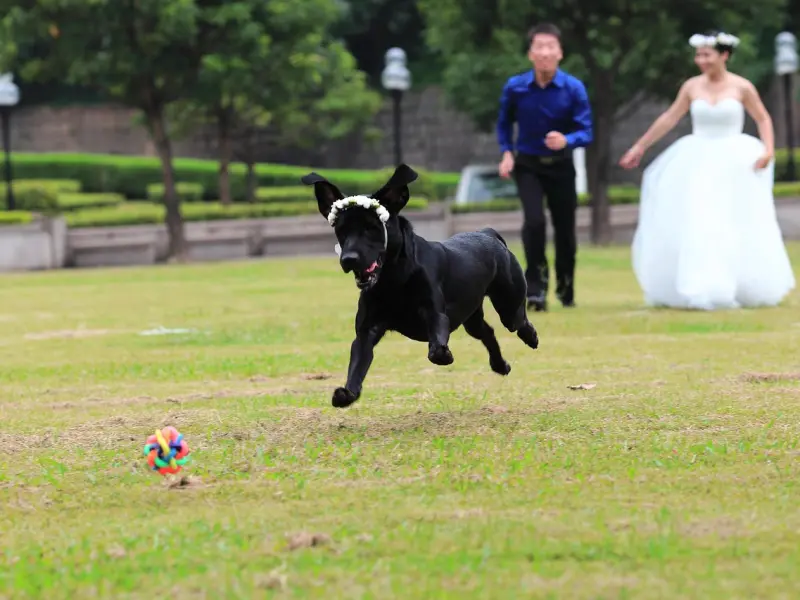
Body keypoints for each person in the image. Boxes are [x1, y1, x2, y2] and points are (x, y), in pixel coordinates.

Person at [619, 30, 795, 310]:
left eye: (707, 55)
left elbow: (762, 117)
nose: (701, 60)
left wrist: (768, 149)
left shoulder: (742, 86)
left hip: (734, 159)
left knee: (734, 219)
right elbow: (670, 117)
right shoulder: (691, 87)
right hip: (698, 158)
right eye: (698, 55)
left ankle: (744, 283)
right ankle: (702, 284)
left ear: (724, 56)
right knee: (700, 219)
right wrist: (640, 146)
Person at [496, 23, 594, 312]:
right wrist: (506, 153)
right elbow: (504, 124)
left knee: (565, 230)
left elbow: (587, 131)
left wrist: (567, 139)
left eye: (551, 47)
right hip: (528, 165)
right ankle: (535, 290)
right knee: (535, 223)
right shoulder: (515, 87)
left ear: (560, 52)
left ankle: (566, 287)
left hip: (562, 166)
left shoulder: (574, 88)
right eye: (539, 47)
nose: (545, 53)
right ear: (531, 53)